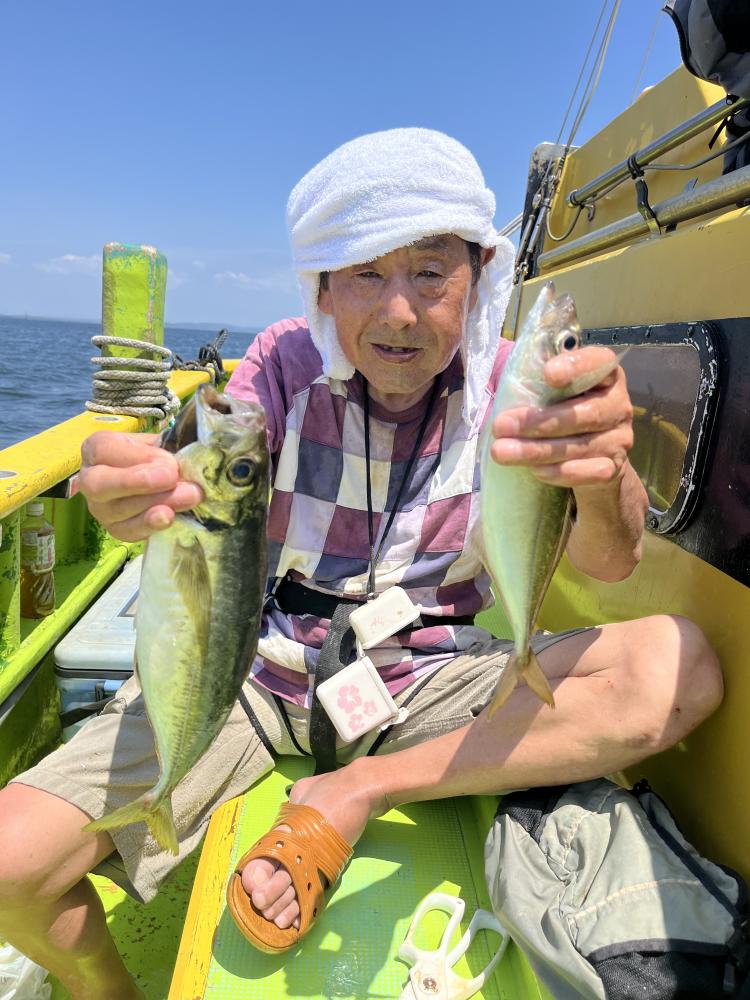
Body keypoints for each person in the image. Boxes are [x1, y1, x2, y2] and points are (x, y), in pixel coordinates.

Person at [0, 129, 722, 998]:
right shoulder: (283, 362)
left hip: (431, 674)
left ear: (478, 276)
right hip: (256, 672)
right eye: (366, 275)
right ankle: (103, 987)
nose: (400, 313)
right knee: (9, 864)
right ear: (324, 289)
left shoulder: (522, 386)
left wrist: (606, 475)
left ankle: (364, 789)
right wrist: (136, 490)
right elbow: (203, 462)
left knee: (677, 670)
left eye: (431, 272)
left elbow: (610, 563)